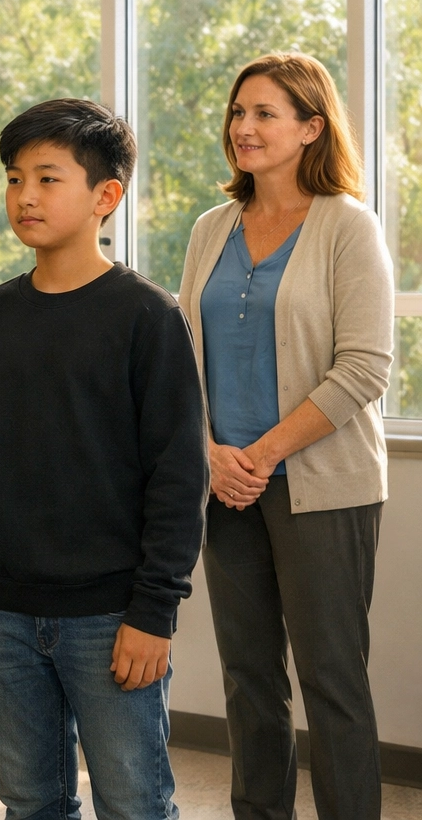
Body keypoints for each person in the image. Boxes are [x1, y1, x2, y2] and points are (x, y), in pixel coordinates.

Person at [0, 99, 208, 820]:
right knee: (28, 802)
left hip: (112, 614)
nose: (25, 195)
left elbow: (179, 477)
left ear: (105, 196)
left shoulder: (147, 316)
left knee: (134, 802)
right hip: (1, 611)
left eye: (49, 178)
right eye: (14, 177)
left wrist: (155, 611)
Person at [176, 52, 391, 820]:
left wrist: (262, 454)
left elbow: (366, 366)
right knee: (248, 678)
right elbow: (184, 357)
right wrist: (211, 454)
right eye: (238, 113)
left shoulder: (346, 225)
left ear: (311, 127)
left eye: (265, 113)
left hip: (321, 486)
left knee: (333, 679)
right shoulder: (211, 227)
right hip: (224, 487)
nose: (245, 127)